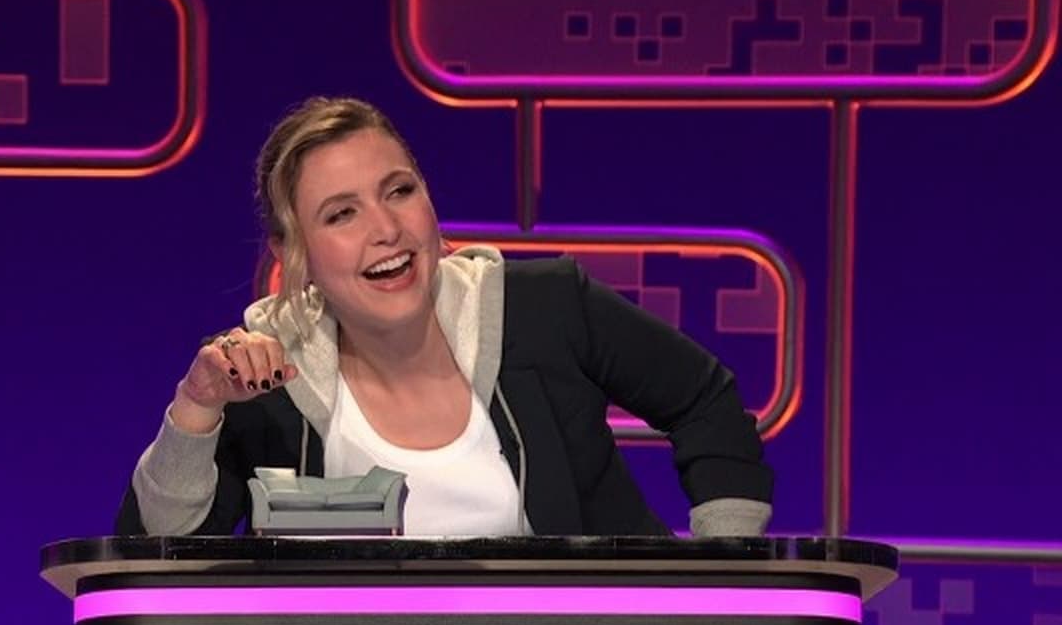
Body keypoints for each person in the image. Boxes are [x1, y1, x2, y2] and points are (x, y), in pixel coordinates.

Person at [115, 97, 773, 537]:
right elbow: (157, 554)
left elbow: (704, 400)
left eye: (399, 191)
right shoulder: (264, 374)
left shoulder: (542, 308)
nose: (387, 229)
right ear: (296, 255)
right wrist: (196, 410)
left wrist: (721, 580)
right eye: (342, 214)